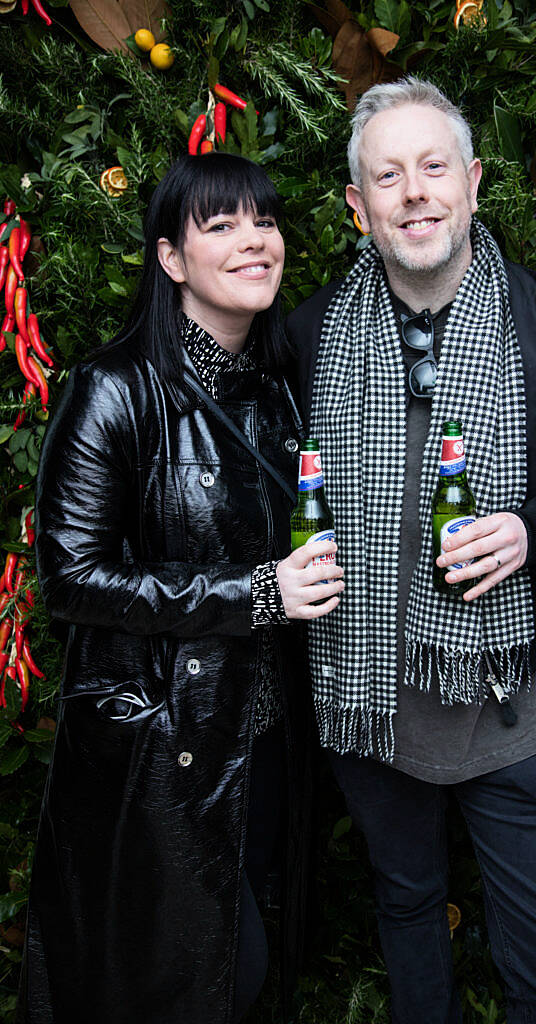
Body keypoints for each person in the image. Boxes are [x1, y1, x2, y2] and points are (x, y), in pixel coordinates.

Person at [286, 77, 536, 1024]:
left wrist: (535, 531)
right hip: (366, 710)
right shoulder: (303, 338)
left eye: (432, 167)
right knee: (408, 914)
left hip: (515, 710)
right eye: (388, 175)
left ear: (471, 183)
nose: (413, 191)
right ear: (358, 206)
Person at [19, 153, 344, 1024]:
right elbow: (72, 579)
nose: (254, 242)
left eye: (264, 222)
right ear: (171, 260)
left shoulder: (279, 390)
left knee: (250, 970)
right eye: (221, 225)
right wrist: (256, 593)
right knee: (196, 979)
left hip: (267, 733)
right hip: (159, 742)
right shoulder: (112, 388)